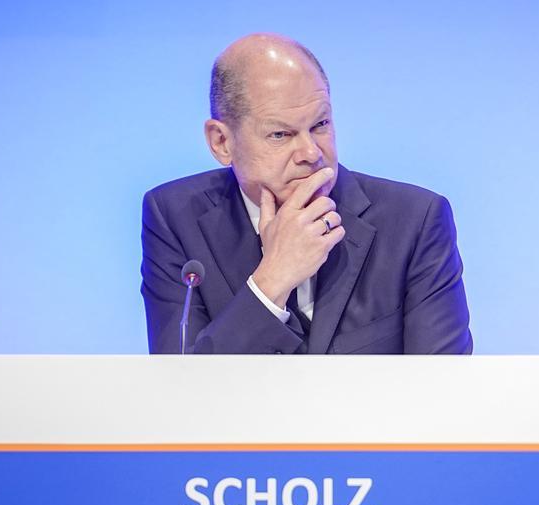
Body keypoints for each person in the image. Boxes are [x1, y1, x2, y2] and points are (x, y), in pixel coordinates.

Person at [141, 33, 472, 354]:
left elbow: (444, 390)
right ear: (221, 142)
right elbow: (183, 389)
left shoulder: (415, 221)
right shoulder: (174, 217)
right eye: (281, 134)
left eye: (320, 125)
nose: (311, 153)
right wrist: (272, 281)